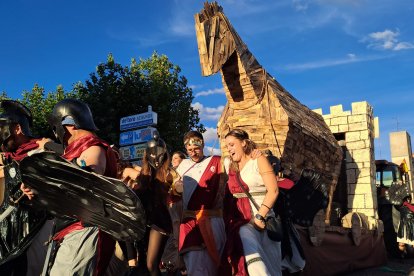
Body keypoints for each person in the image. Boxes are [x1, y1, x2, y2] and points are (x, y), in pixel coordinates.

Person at [21, 98, 118, 275]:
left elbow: (90, 173)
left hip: (85, 227)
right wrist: (37, 189)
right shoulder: (75, 149)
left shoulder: (93, 146)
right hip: (69, 229)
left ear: (69, 124)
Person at [0, 100, 49, 276]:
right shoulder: (7, 157)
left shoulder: (40, 153)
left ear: (17, 129)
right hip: (7, 230)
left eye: (2, 129)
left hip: (35, 230)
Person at [223, 128, 281, 276]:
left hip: (263, 217)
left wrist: (260, 217)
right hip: (241, 221)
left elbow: (273, 190)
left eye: (232, 144)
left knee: (272, 267)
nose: (229, 149)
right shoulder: (229, 165)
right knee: (252, 260)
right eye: (227, 146)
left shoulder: (258, 160)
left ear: (243, 143)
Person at [175, 130, 227, 276]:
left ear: (203, 144)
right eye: (189, 150)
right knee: (194, 266)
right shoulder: (182, 166)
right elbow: (172, 189)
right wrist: (176, 188)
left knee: (214, 265)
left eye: (196, 149)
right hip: (190, 222)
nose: (193, 153)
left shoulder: (217, 162)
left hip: (213, 220)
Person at [121, 133, 173, 276]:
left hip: (160, 222)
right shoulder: (144, 173)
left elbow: (177, 187)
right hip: (145, 220)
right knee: (143, 265)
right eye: (153, 152)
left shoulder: (169, 173)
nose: (156, 156)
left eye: (159, 152)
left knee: (151, 264)